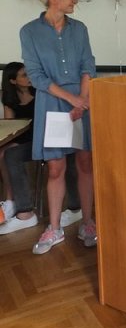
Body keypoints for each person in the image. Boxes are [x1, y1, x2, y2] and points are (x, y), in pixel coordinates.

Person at [20, 0, 97, 254]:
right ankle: (54, 228)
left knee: (85, 162)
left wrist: (82, 101)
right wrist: (71, 99)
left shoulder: (80, 29)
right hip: (52, 103)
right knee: (56, 167)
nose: (75, 0)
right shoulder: (29, 31)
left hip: (82, 102)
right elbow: (36, 75)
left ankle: (88, 223)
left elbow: (88, 66)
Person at [0, 62, 82, 235]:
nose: (29, 78)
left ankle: (76, 207)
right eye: (24, 75)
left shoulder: (40, 92)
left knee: (69, 153)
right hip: (29, 142)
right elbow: (13, 126)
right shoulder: (10, 100)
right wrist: (13, 142)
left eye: (29, 73)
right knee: (8, 154)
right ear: (13, 81)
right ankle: (22, 209)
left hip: (47, 137)